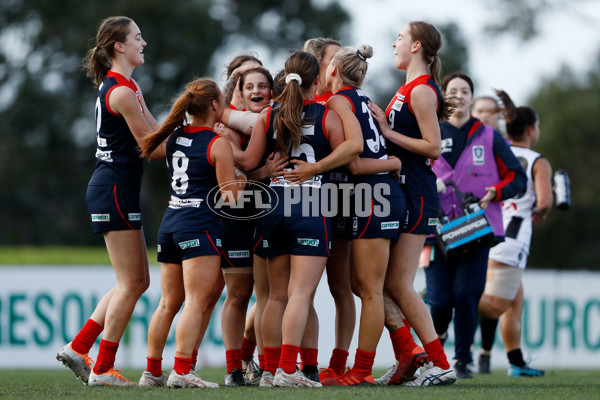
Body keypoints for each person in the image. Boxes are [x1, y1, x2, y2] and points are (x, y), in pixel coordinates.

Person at [232, 50, 361, 387]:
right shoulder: (325, 114)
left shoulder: (267, 116)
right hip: (310, 208)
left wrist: (220, 134)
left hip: (273, 208)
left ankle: (271, 371)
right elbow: (351, 150)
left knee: (276, 296)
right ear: (315, 80)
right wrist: (317, 168)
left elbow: (246, 163)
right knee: (301, 295)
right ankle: (290, 370)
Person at [56, 16, 164, 386]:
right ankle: (102, 368)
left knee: (134, 281)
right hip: (113, 187)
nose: (143, 42)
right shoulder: (120, 91)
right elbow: (153, 147)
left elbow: (158, 132)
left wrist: (190, 133)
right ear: (119, 46)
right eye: (137, 37)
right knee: (133, 282)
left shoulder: (128, 86)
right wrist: (205, 143)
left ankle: (80, 348)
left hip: (115, 187)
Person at [368, 21, 459, 387]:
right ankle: (409, 356)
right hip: (402, 194)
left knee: (400, 285)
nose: (394, 43)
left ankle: (440, 364)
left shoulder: (421, 91)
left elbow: (433, 148)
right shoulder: (408, 87)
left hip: (418, 194)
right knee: (386, 284)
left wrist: (388, 133)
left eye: (401, 38)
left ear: (417, 46)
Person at [139, 77, 245, 388]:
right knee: (196, 302)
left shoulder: (174, 137)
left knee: (167, 303)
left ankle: (152, 372)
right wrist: (241, 174)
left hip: (170, 225)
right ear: (215, 105)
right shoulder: (218, 143)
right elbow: (232, 197)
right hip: (199, 227)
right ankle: (182, 371)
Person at [425, 72, 527, 379]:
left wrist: (497, 191)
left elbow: (517, 177)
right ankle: (438, 339)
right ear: (443, 96)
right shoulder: (429, 132)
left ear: (471, 97)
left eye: (465, 90)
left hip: (478, 229)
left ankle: (463, 359)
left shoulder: (489, 135)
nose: (459, 94)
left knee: (467, 294)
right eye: (452, 90)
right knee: (440, 301)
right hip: (436, 230)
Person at [319, 44, 405, 386]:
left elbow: (354, 161)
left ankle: (362, 370)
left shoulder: (339, 100)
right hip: (374, 194)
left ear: (334, 70)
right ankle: (364, 365)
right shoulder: (366, 100)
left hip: (374, 193)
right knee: (362, 285)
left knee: (369, 289)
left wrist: (393, 164)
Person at [476, 90, 551, 377]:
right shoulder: (537, 160)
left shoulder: (499, 150)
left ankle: (516, 361)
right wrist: (541, 211)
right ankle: (440, 297)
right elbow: (543, 203)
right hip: (513, 237)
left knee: (513, 301)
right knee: (495, 306)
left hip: (490, 228)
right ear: (531, 130)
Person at [303, 37, 356, 383]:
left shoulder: (344, 100)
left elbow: (359, 148)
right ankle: (285, 362)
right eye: (335, 58)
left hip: (341, 197)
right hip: (303, 202)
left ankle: (338, 362)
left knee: (341, 286)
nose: (340, 64)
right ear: (318, 65)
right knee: (295, 291)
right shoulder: (298, 101)